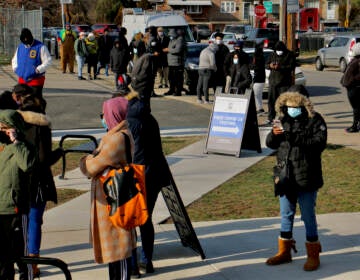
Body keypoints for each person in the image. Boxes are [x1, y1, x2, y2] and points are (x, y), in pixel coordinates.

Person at [265, 90, 327, 271]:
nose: (291, 109)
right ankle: (284, 252)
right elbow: (270, 143)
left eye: (295, 106)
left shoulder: (315, 120)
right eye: (288, 106)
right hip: (285, 175)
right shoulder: (282, 118)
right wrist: (274, 135)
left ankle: (313, 254)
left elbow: (319, 144)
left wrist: (293, 137)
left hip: (307, 176)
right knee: (286, 215)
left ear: (303, 104)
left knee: (308, 216)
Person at [80, 97, 136, 280]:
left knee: (119, 252)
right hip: (114, 198)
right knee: (116, 255)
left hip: (114, 200)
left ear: (113, 114)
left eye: (104, 113)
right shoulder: (118, 134)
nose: (103, 117)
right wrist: (94, 157)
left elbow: (90, 167)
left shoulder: (117, 138)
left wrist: (87, 159)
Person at [126, 90, 171, 275]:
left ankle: (136, 260)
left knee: (132, 218)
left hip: (140, 173)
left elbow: (134, 152)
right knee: (146, 218)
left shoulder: (132, 123)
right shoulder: (150, 118)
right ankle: (147, 259)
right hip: (156, 173)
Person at [0, 109, 36, 280]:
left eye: (2, 128)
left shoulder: (24, 147)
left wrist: (16, 142)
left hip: (15, 210)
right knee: (3, 259)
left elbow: (27, 165)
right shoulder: (1, 148)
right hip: (0, 208)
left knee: (20, 255)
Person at [12, 28, 52, 97]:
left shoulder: (40, 47)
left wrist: (39, 69)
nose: (26, 42)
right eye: (24, 41)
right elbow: (14, 60)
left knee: (35, 101)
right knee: (22, 101)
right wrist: (16, 68)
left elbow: (48, 61)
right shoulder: (20, 47)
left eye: (27, 40)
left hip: (36, 80)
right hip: (22, 79)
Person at [266, 41, 296, 124]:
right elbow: (266, 64)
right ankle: (270, 117)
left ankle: (282, 117)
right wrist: (270, 66)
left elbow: (292, 67)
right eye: (277, 50)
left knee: (283, 101)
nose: (278, 52)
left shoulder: (289, 55)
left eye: (280, 50)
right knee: (271, 101)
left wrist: (280, 67)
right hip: (273, 82)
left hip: (284, 83)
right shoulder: (272, 54)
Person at [130, 41, 157, 108]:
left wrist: (135, 79)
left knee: (142, 106)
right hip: (139, 86)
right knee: (141, 106)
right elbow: (141, 71)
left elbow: (143, 72)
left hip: (140, 85)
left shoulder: (145, 57)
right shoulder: (144, 57)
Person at [340, 42, 360, 133]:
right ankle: (357, 125)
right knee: (356, 107)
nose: (352, 50)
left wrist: (353, 80)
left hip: (355, 87)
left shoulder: (359, 61)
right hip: (351, 87)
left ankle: (355, 126)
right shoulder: (355, 59)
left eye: (353, 49)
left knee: (356, 107)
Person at [164, 28, 186, 96]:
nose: (170, 36)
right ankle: (172, 89)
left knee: (178, 78)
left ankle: (178, 91)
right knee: (171, 77)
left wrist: (168, 50)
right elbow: (172, 48)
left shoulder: (180, 40)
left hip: (177, 63)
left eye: (171, 34)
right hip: (171, 63)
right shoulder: (171, 40)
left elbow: (177, 50)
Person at [253, 42, 266, 114]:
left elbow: (257, 68)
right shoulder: (261, 57)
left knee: (256, 94)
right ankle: (260, 108)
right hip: (261, 79)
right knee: (258, 95)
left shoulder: (258, 57)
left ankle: (259, 109)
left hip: (258, 79)